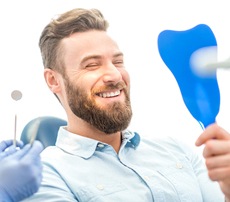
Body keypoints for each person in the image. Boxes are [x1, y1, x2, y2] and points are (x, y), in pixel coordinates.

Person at [22, 8, 230, 201]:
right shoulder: (41, 176)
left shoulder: (177, 150)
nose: (114, 74)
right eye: (92, 65)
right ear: (53, 80)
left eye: (118, 62)